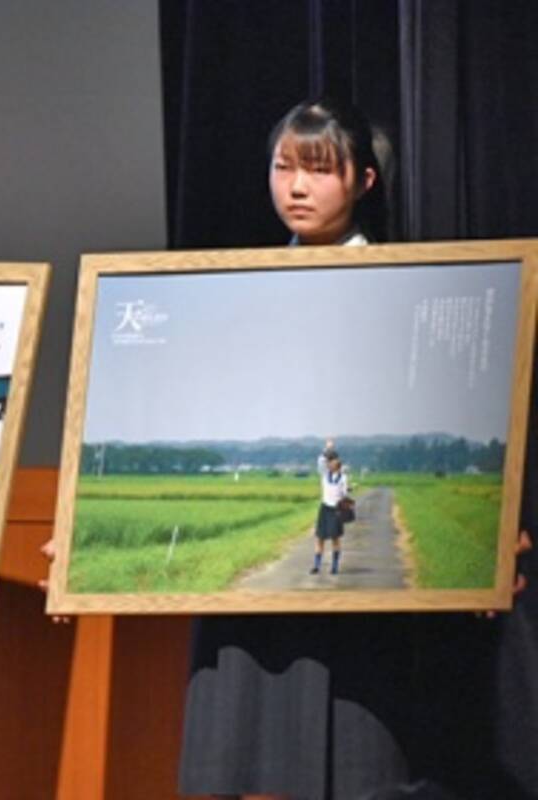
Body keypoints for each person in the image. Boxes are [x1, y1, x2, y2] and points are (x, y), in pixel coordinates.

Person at [177, 98, 417, 800]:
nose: (297, 188)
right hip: (252, 591)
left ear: (364, 182)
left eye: (319, 170)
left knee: (350, 768)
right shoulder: (235, 287)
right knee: (245, 770)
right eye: (284, 168)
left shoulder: (403, 288)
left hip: (358, 596)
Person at [311, 440, 350, 575]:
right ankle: (316, 565)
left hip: (336, 510)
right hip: (325, 507)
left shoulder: (343, 477)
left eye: (331, 460)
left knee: (335, 538)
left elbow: (344, 493)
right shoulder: (324, 474)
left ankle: (334, 566)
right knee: (320, 537)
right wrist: (327, 448)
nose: (329, 463)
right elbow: (320, 461)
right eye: (328, 461)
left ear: (337, 462)